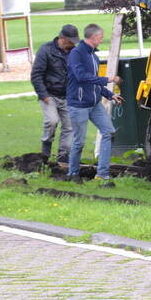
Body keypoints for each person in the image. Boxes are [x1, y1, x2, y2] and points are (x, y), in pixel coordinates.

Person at [66, 23, 122, 186]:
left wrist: (110, 95)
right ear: (94, 37)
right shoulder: (76, 54)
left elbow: (94, 83)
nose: (102, 39)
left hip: (95, 104)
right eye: (101, 36)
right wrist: (109, 79)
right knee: (79, 141)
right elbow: (81, 77)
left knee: (108, 132)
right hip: (78, 105)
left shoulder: (94, 56)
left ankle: (102, 174)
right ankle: (73, 173)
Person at [30, 24, 80, 162]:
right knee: (52, 121)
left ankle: (63, 156)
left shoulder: (74, 53)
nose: (72, 44)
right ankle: (45, 152)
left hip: (68, 96)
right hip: (49, 94)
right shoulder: (45, 50)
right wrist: (43, 95)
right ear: (62, 38)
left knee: (69, 126)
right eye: (71, 41)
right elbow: (36, 75)